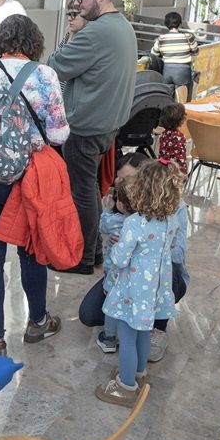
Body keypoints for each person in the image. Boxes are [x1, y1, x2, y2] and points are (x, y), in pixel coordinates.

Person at [0, 14, 70, 353]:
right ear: (33, 43)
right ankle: (37, 322)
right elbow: (58, 134)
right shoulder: (46, 75)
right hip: (27, 179)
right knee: (31, 252)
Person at [48, 0, 137, 276]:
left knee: (82, 193)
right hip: (107, 125)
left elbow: (55, 66)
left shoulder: (95, 32)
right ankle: (94, 251)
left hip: (85, 126)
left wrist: (71, 35)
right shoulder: (122, 26)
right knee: (89, 191)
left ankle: (83, 257)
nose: (77, 4)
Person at [81, 154, 189, 364]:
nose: (127, 187)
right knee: (89, 314)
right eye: (121, 182)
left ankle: (155, 329)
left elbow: (178, 255)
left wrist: (144, 244)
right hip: (126, 277)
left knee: (134, 332)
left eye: (131, 181)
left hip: (160, 277)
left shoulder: (175, 208)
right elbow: (113, 241)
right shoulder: (125, 208)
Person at [95, 160, 185, 407]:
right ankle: (138, 374)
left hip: (132, 293)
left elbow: (120, 259)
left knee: (126, 337)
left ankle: (126, 386)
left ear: (140, 190)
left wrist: (115, 248)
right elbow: (172, 248)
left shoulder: (134, 223)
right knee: (144, 333)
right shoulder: (171, 221)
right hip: (154, 291)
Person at [150, 11, 198, 97]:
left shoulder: (161, 38)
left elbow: (154, 53)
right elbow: (196, 51)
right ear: (180, 23)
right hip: (183, 71)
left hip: (167, 71)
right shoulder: (188, 37)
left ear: (166, 24)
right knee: (183, 100)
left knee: (167, 97)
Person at [156, 104, 188, 173]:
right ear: (180, 120)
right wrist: (184, 172)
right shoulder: (179, 137)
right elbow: (180, 157)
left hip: (163, 169)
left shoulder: (164, 134)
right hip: (174, 172)